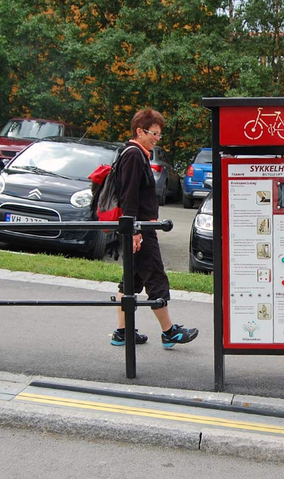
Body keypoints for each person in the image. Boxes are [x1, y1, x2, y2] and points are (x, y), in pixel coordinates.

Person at [110, 108, 199, 348]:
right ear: (139, 131)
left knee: (131, 281)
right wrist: (136, 231)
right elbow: (129, 196)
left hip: (140, 226)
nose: (157, 139)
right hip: (140, 228)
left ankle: (122, 332)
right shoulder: (134, 155)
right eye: (154, 133)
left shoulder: (137, 154)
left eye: (159, 135)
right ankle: (169, 332)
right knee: (156, 278)